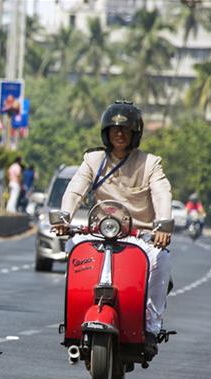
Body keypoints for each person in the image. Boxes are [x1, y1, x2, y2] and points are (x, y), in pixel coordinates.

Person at [52, 101, 173, 355]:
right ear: (105, 132)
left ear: (135, 134)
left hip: (140, 236)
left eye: (126, 129)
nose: (119, 134)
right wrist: (64, 217)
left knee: (161, 258)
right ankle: (75, 317)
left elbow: (162, 193)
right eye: (114, 129)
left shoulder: (150, 163)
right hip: (98, 232)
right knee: (74, 247)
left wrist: (162, 224)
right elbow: (75, 189)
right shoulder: (93, 160)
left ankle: (151, 324)